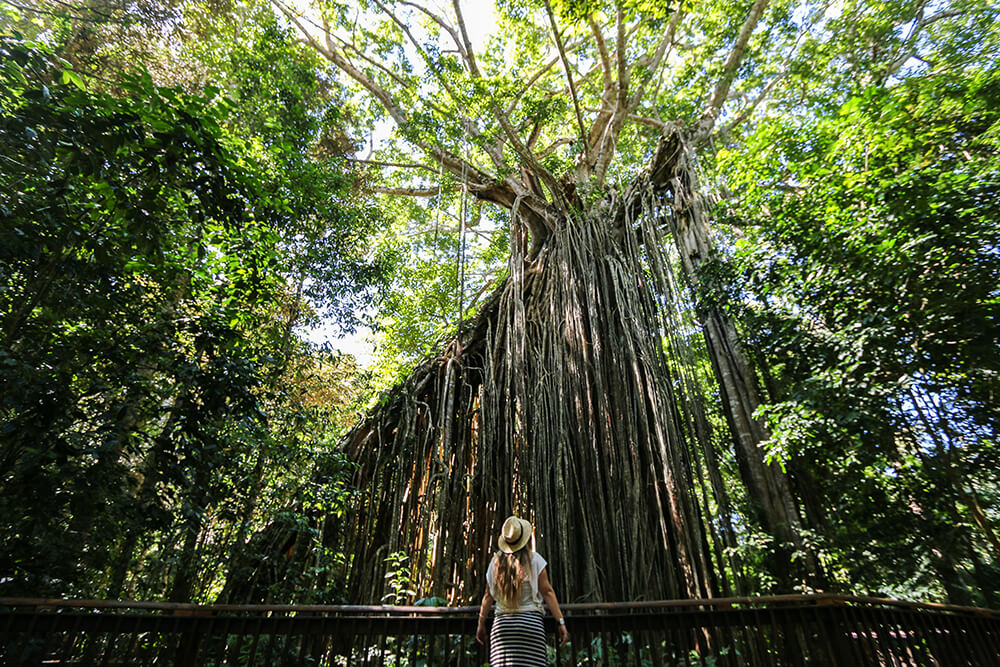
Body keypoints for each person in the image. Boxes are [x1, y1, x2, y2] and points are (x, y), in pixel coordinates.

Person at [476, 515, 569, 665]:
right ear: (524, 540)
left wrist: (480, 624)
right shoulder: (536, 559)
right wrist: (561, 622)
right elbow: (548, 592)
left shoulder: (495, 562)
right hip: (531, 626)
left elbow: (488, 596)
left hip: (503, 629)